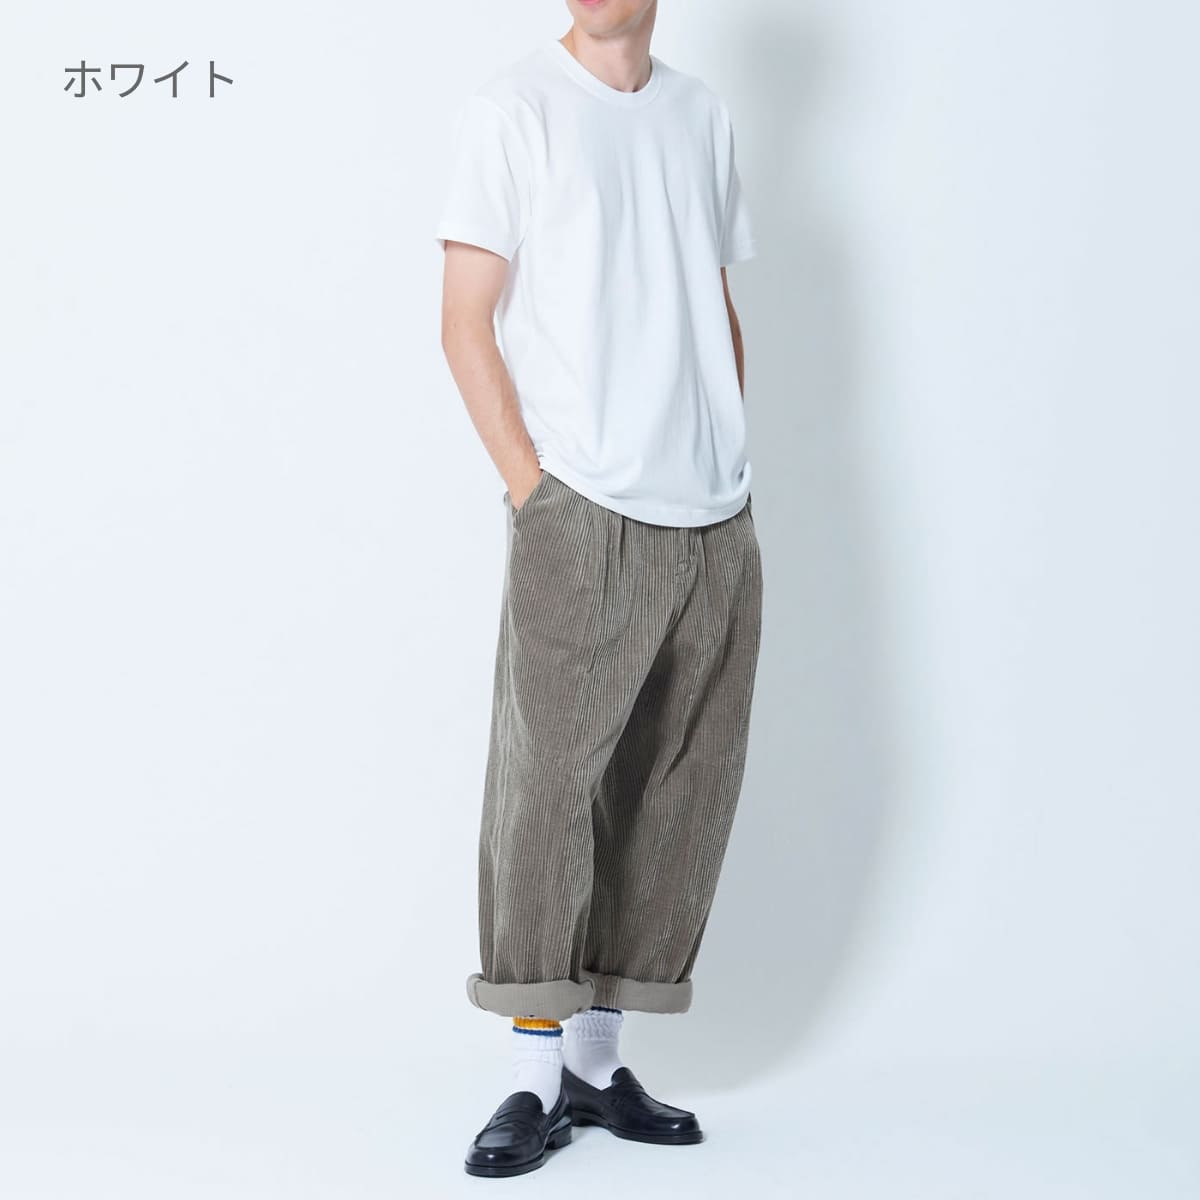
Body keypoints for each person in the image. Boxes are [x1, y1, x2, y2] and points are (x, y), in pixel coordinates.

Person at [436, 0, 763, 1179]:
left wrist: (729, 453)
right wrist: (537, 495)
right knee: (548, 794)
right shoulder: (514, 108)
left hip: (713, 516)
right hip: (582, 507)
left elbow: (711, 300)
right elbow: (464, 321)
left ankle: (595, 1063)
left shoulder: (700, 113)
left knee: (676, 792)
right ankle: (533, 1074)